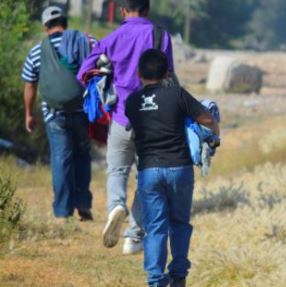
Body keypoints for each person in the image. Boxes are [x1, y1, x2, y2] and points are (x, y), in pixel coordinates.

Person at [77, 0, 175, 254]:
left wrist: (106, 75)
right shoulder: (160, 36)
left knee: (117, 170)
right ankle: (134, 236)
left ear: (122, 10)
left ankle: (115, 207)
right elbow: (169, 75)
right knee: (147, 177)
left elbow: (83, 73)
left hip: (121, 117)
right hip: (153, 122)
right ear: (148, 9)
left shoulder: (111, 38)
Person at [125, 49, 219, 287]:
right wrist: (215, 135)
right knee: (179, 223)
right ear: (167, 72)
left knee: (155, 227)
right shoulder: (176, 94)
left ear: (138, 74)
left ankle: (156, 280)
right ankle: (178, 275)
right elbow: (206, 119)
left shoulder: (132, 101)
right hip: (179, 168)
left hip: (149, 171)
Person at [22, 6, 94, 223]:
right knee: (82, 157)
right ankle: (82, 205)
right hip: (82, 111)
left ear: (45, 27)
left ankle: (62, 212)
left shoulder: (36, 50)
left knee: (61, 161)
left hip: (55, 115)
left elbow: (30, 85)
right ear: (65, 22)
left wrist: (28, 114)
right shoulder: (85, 42)